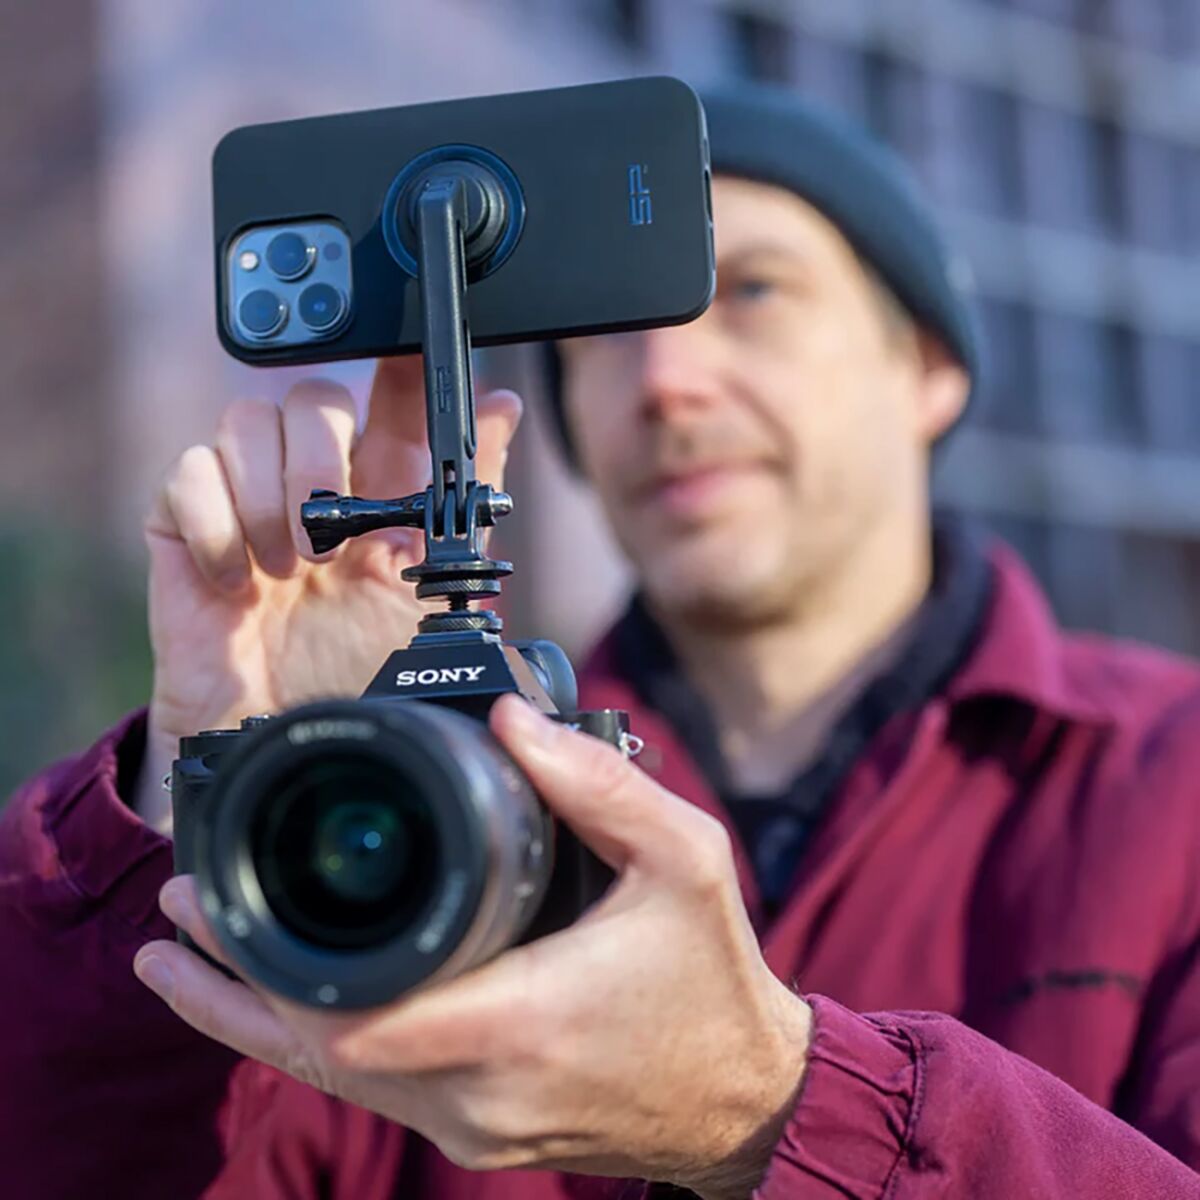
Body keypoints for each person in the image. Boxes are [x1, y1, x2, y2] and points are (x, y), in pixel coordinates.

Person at [2, 82, 1198, 1200]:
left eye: (755, 294)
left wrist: (773, 1108)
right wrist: (211, 806)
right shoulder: (454, 795)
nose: (666, 378)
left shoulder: (1172, 785)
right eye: (608, 333)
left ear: (929, 366)